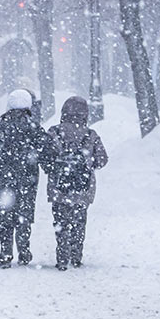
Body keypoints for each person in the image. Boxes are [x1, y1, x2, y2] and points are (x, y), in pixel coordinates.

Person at [0, 88, 57, 268]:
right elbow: (48, 155)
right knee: (23, 216)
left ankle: (5, 254)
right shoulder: (33, 128)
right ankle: (24, 250)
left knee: (5, 216)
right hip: (26, 181)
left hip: (2, 180)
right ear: (28, 106)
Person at [45, 96, 108, 270]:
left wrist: (56, 166)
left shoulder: (54, 132)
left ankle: (62, 257)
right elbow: (103, 159)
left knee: (61, 222)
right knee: (79, 222)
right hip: (83, 188)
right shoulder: (91, 134)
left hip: (59, 188)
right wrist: (88, 164)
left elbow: (46, 158)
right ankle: (76, 255)